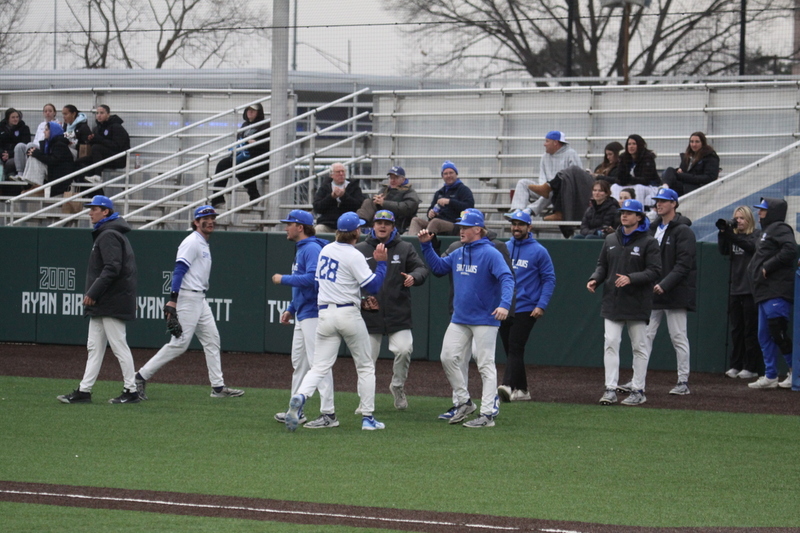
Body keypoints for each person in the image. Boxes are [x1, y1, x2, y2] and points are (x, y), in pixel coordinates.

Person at [284, 212, 388, 432]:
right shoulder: (354, 254)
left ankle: (302, 397)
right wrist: (382, 265)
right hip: (347, 313)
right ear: (356, 232)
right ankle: (368, 418)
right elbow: (373, 286)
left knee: (319, 366)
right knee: (365, 366)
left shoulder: (326, 250)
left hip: (325, 315)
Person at [134, 205, 244, 400]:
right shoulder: (192, 241)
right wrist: (173, 301)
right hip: (187, 296)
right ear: (196, 222)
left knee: (212, 339)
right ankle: (140, 376)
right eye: (205, 218)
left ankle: (218, 388)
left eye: (212, 217)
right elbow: (179, 270)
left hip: (199, 298)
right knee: (180, 343)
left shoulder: (202, 242)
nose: (210, 221)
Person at [418, 209, 514, 427]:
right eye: (460, 226)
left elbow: (507, 278)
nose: (460, 230)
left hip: (485, 318)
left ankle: (488, 414)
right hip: (460, 317)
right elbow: (439, 268)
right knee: (447, 357)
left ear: (478, 229)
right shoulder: (460, 251)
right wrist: (426, 246)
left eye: (465, 227)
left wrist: (504, 304)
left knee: (485, 365)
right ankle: (464, 401)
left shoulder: (491, 253)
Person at [57, 195, 140, 404]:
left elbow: (112, 268)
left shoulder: (109, 234)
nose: (90, 212)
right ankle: (84, 390)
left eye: (95, 208)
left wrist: (93, 292)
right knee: (94, 347)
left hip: (110, 300)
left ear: (106, 212)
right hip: (106, 301)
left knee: (119, 345)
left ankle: (131, 391)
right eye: (91, 208)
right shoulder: (108, 232)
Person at [621, 188, 696, 397]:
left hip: (675, 292)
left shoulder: (683, 231)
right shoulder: (652, 229)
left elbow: (684, 264)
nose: (658, 204)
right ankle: (637, 380)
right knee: (644, 337)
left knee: (678, 337)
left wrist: (665, 284)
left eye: (664, 201)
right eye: (657, 201)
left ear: (674, 203)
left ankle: (683, 381)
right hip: (652, 292)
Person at [587, 199, 661, 406]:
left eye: (629, 212)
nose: (624, 215)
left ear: (639, 217)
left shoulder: (649, 242)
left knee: (639, 347)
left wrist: (631, 278)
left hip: (637, 302)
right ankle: (610, 389)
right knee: (610, 343)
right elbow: (602, 264)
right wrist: (595, 278)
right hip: (612, 301)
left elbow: (655, 271)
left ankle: (638, 389)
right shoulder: (611, 239)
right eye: (623, 212)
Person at [355, 209, 429, 410]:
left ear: (393, 227)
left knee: (404, 350)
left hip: (398, 311)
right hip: (370, 314)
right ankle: (365, 401)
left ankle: (397, 386)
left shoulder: (404, 247)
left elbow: (421, 269)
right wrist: (361, 299)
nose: (382, 226)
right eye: (378, 222)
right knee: (367, 360)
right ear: (373, 225)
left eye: (386, 223)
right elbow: (350, 279)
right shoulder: (361, 248)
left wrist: (415, 277)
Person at [271, 210, 335, 428]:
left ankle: (329, 414)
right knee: (299, 363)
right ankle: (296, 410)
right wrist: (291, 308)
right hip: (302, 312)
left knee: (319, 364)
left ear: (300, 227)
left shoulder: (312, 248)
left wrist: (284, 279)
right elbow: (303, 281)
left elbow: (314, 279)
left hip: (314, 313)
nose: (286, 228)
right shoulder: (303, 248)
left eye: (289, 224)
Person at [497, 210, 556, 402]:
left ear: (529, 227)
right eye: (514, 224)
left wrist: (542, 305)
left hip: (527, 307)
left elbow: (549, 279)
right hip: (506, 306)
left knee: (514, 346)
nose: (516, 227)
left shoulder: (539, 251)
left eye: (520, 224)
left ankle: (506, 385)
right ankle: (522, 390)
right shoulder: (505, 247)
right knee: (512, 350)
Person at [747, 198, 797, 389]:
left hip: (777, 290)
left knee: (778, 331)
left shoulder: (781, 228)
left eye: (763, 210)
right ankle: (770, 376)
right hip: (763, 291)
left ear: (773, 212)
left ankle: (795, 372)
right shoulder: (764, 232)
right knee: (764, 334)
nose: (759, 213)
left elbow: (790, 249)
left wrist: (768, 266)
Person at [717, 206, 761, 380]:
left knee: (750, 330)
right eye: (736, 218)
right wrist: (723, 232)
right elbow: (723, 250)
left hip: (750, 290)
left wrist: (731, 235)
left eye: (742, 218)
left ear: (749, 219)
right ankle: (736, 365)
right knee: (736, 330)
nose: (739, 221)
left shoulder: (756, 235)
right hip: (736, 289)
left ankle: (751, 367)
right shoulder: (732, 237)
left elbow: (750, 247)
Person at [508, 131, 582, 217]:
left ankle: (529, 211)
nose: (544, 144)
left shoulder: (571, 154)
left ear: (555, 142)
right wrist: (543, 186)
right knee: (522, 183)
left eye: (547, 141)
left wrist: (548, 187)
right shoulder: (544, 156)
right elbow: (542, 175)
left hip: (563, 193)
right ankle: (517, 210)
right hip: (546, 190)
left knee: (551, 190)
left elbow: (577, 175)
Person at [211, 103, 268, 208]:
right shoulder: (244, 125)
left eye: (253, 111)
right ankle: (217, 198)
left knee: (235, 166)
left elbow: (267, 144)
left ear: (259, 113)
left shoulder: (265, 125)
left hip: (258, 159)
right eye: (248, 110)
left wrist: (255, 142)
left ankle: (254, 196)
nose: (250, 112)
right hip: (243, 156)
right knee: (224, 164)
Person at [407, 160, 475, 237]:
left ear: (456, 174)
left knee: (435, 222)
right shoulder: (439, 193)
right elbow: (431, 209)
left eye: (451, 173)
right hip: (437, 223)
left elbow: (469, 207)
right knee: (416, 220)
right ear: (442, 176)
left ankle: (426, 243)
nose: (448, 175)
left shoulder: (463, 190)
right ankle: (414, 244)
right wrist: (430, 213)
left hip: (454, 225)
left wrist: (450, 202)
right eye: (445, 174)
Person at [74, 105, 130, 185]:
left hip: (118, 158)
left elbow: (117, 146)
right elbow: (99, 143)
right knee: (79, 162)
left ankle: (98, 176)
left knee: (96, 148)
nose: (99, 115)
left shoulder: (116, 127)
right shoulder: (97, 128)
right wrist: (91, 140)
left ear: (108, 114)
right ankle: (84, 187)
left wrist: (99, 139)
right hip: (102, 157)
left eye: (102, 113)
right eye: (97, 113)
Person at [356, 166, 420, 234]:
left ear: (403, 179)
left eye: (396, 178)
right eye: (391, 178)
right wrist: (376, 200)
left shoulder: (409, 192)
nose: (392, 180)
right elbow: (378, 203)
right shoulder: (385, 189)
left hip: (397, 221)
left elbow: (407, 208)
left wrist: (384, 203)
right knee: (369, 202)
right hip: (380, 217)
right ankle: (360, 223)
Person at [313, 163, 366, 233]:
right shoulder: (325, 187)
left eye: (343, 171)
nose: (341, 174)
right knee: (318, 229)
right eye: (338, 172)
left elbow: (359, 205)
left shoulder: (354, 187)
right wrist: (331, 197)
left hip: (349, 224)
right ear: (331, 175)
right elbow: (317, 207)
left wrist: (344, 197)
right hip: (328, 224)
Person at [25, 122, 75, 194]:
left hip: (59, 174)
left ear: (53, 131)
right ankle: (34, 184)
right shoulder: (50, 143)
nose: (44, 132)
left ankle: (37, 186)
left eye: (46, 130)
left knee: (35, 157)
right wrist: (36, 152)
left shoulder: (59, 144)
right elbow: (46, 157)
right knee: (33, 157)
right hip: (53, 170)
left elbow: (52, 160)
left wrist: (37, 153)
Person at [611, 134, 660, 208]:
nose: (631, 146)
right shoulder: (624, 157)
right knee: (615, 187)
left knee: (639, 188)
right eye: (629, 144)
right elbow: (620, 177)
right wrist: (623, 179)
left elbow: (646, 180)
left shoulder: (647, 157)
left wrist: (629, 179)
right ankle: (617, 210)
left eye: (634, 144)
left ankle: (638, 210)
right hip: (631, 184)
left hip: (649, 186)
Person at [12, 103, 57, 179]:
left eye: (50, 111)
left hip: (45, 147)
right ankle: (20, 172)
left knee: (30, 145)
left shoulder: (57, 124)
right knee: (20, 146)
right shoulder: (41, 125)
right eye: (45, 111)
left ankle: (27, 172)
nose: (48, 113)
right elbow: (36, 139)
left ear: (54, 113)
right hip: (36, 145)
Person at [0, 108, 31, 179]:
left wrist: (9, 154)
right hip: (3, 155)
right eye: (13, 117)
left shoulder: (24, 128)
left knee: (9, 164)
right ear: (8, 118)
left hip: (16, 156)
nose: (15, 119)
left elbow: (24, 145)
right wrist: (2, 154)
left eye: (17, 117)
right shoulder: (1, 128)